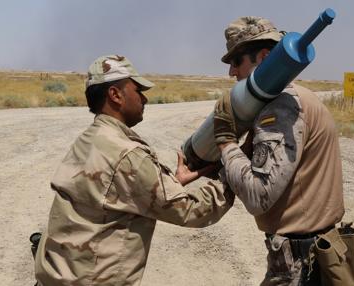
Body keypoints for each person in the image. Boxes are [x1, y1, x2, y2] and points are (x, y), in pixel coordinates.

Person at [34, 55, 234, 285]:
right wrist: (232, 173)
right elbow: (190, 210)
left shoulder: (90, 139)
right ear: (115, 95)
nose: (144, 99)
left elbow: (113, 192)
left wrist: (173, 182)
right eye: (138, 90)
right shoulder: (125, 153)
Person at [213, 17, 345, 285]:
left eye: (236, 62)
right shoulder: (299, 97)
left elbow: (258, 196)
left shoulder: (282, 107)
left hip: (299, 264)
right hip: (315, 253)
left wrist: (227, 144)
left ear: (263, 57)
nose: (231, 73)